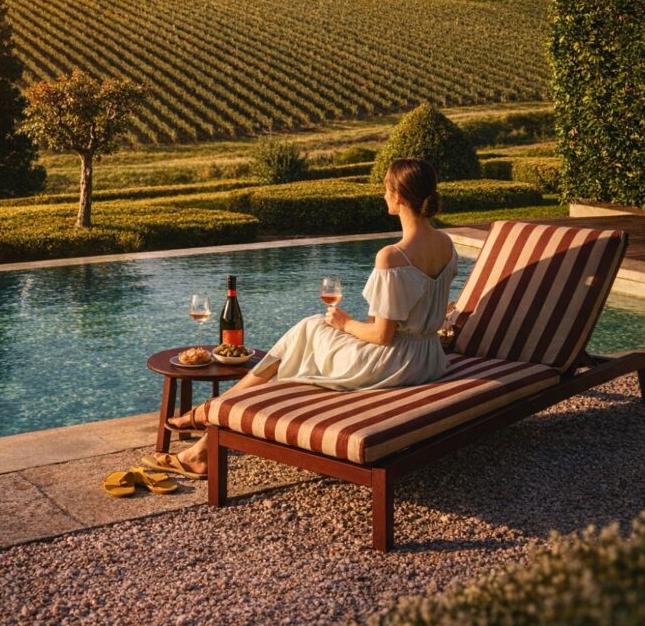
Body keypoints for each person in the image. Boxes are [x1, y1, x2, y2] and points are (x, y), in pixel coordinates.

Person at [146, 158, 458, 479]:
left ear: (399, 198)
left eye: (385, 189)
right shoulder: (446, 244)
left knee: (308, 329)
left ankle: (211, 411)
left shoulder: (393, 256)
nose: (383, 196)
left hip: (391, 364)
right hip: (428, 359)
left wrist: (344, 323)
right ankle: (206, 435)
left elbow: (382, 336)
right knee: (304, 340)